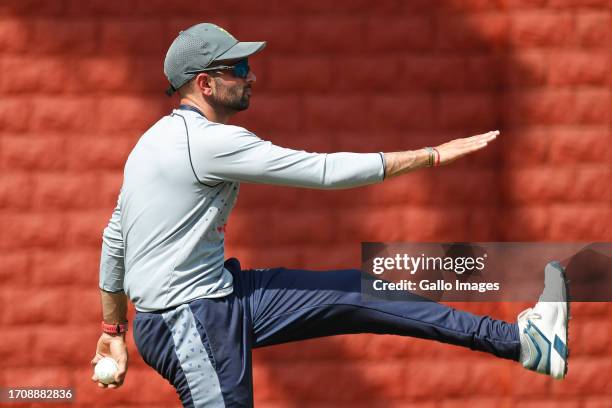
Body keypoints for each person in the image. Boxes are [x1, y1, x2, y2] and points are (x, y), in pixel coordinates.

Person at [90, 23, 569, 407]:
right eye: (238, 67)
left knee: (363, 292)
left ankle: (526, 342)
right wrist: (431, 155)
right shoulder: (210, 141)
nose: (251, 75)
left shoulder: (150, 141)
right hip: (189, 321)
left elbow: (115, 240)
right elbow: (324, 173)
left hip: (219, 296)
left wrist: (113, 331)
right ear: (205, 84)